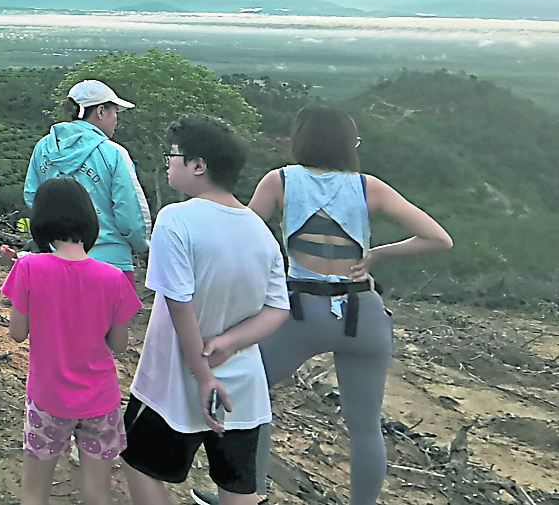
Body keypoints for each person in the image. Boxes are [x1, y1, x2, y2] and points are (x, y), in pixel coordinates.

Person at [191, 107, 453, 505]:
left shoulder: (280, 180)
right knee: (365, 428)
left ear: (301, 141)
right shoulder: (370, 187)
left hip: (301, 311)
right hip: (362, 313)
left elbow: (240, 235)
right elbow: (438, 238)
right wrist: (377, 254)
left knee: (249, 396)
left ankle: (250, 494)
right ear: (349, 145)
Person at [121, 117, 289, 505]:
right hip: (243, 388)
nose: (168, 163)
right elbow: (277, 308)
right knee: (238, 488)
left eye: (173, 156)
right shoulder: (259, 231)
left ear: (199, 165)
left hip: (174, 382)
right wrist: (230, 341)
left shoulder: (177, 219)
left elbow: (180, 305)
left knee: (137, 463)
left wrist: (202, 375)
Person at [2, 178, 141, 505]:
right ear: (89, 221)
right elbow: (118, 346)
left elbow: (17, 333)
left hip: (48, 401)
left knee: (34, 492)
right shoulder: (114, 278)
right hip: (101, 402)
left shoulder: (28, 267)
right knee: (97, 492)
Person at [23, 80, 150, 280]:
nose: (116, 118)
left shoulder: (44, 147)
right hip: (110, 264)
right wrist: (143, 246)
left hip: (55, 261)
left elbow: (33, 197)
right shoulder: (114, 153)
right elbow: (131, 215)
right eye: (114, 111)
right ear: (101, 111)